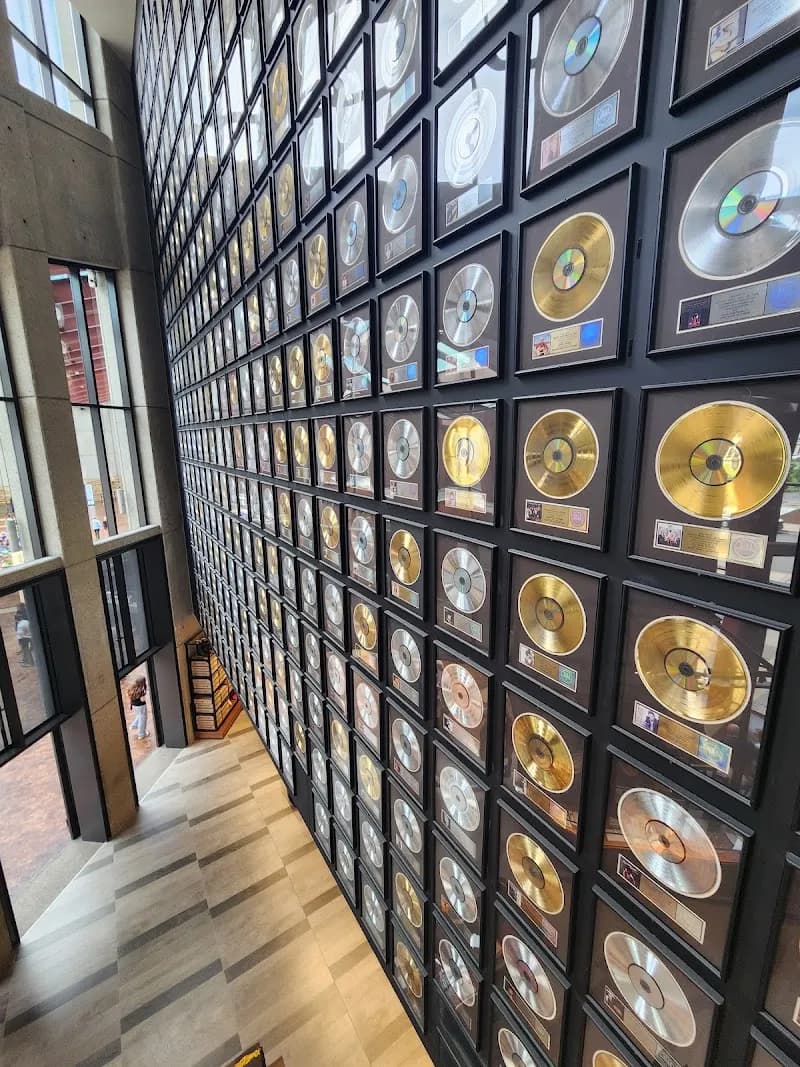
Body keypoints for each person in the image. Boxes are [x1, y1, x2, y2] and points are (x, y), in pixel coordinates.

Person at [128, 675, 150, 740]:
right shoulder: (141, 690)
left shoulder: (132, 688)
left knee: (139, 716)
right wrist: (144, 694)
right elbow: (142, 700)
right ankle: (141, 734)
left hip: (134, 706)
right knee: (143, 719)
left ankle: (133, 726)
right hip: (141, 706)